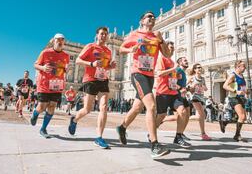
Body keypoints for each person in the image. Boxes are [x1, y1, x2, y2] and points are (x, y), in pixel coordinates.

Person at [115, 11, 171, 158]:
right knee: (151, 106)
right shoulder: (135, 34)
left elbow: (167, 55)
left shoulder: (156, 36)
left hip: (150, 75)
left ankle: (122, 127)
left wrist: (162, 40)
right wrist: (130, 49)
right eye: (149, 16)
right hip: (138, 73)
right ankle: (154, 145)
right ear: (142, 21)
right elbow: (121, 49)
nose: (152, 18)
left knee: (137, 107)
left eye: (153, 16)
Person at [67, 27, 116, 149]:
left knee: (103, 107)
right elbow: (78, 60)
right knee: (87, 109)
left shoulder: (108, 51)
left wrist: (111, 66)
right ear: (97, 35)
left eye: (105, 34)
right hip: (90, 79)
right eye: (101, 34)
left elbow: (104, 67)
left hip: (103, 79)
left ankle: (99, 137)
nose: (104, 36)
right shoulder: (90, 46)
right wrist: (91, 64)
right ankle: (74, 120)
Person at [30, 33, 70, 138]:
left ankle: (43, 129)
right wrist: (42, 68)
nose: (60, 42)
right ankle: (35, 113)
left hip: (57, 85)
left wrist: (66, 70)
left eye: (62, 40)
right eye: (58, 40)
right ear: (53, 41)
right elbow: (35, 65)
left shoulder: (66, 56)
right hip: (44, 84)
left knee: (52, 107)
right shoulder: (45, 53)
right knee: (42, 106)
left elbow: (65, 68)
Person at [154, 41, 191, 148]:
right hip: (162, 92)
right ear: (164, 49)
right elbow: (159, 73)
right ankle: (152, 132)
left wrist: (176, 77)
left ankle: (178, 137)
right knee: (161, 115)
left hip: (173, 92)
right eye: (170, 48)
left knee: (182, 112)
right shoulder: (162, 59)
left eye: (173, 48)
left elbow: (171, 76)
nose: (172, 50)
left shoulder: (172, 61)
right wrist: (173, 69)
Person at [220, 60, 248, 142]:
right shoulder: (233, 75)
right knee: (242, 116)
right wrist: (236, 91)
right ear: (238, 67)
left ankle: (224, 123)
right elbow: (224, 86)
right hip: (234, 97)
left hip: (241, 98)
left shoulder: (242, 76)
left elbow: (241, 87)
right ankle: (237, 135)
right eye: (243, 66)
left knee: (243, 117)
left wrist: (245, 91)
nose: (245, 68)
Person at [187, 63, 212, 140]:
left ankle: (185, 118)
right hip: (194, 97)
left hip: (201, 97)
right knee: (202, 114)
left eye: (200, 67)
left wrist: (204, 87)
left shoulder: (203, 78)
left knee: (199, 116)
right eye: (198, 68)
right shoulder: (192, 78)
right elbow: (185, 86)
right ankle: (203, 134)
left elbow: (205, 88)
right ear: (194, 69)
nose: (200, 69)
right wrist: (191, 86)